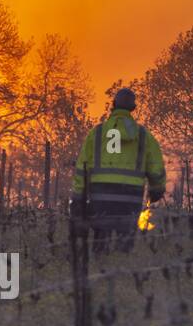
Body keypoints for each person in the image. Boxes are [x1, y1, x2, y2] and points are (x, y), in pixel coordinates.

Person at [70, 83, 166, 245]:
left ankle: (101, 266)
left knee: (101, 240)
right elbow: (155, 166)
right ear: (133, 108)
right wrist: (157, 189)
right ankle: (121, 266)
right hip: (131, 196)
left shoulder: (97, 133)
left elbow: (82, 167)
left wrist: (78, 197)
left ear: (113, 105)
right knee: (126, 239)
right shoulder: (143, 135)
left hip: (100, 196)